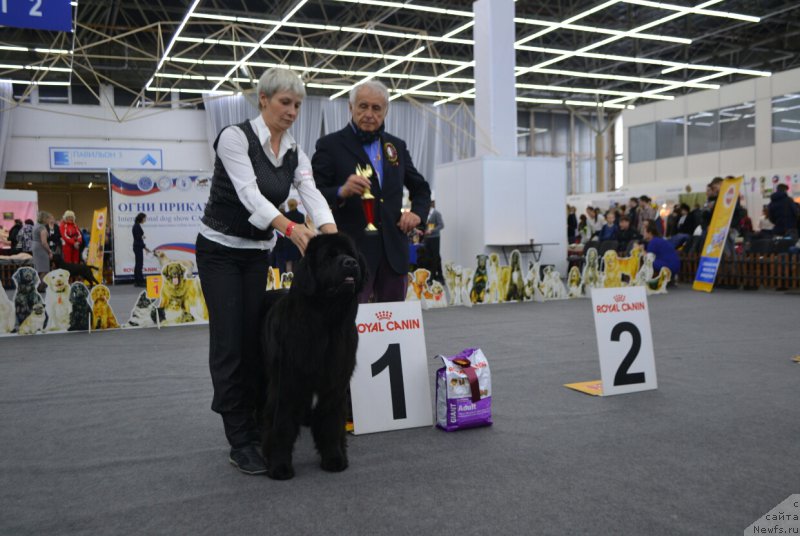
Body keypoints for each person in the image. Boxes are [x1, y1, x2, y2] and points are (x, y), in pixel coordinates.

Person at [195, 67, 337, 475]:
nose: (292, 111)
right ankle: (239, 440)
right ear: (263, 99)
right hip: (219, 252)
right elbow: (250, 196)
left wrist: (332, 238)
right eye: (284, 102)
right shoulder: (234, 138)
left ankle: (258, 421)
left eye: (297, 105)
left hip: (257, 254)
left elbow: (312, 195)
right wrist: (292, 229)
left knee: (254, 340)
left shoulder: (295, 152)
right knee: (230, 343)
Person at [312, 80, 431, 303]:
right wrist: (341, 191)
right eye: (363, 106)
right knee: (351, 319)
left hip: (393, 253)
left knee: (393, 318)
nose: (369, 114)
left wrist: (417, 214)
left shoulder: (396, 146)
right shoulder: (329, 145)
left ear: (386, 111)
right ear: (351, 107)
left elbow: (421, 188)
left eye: (376, 108)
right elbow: (312, 193)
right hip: (350, 253)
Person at [32, 211, 54, 292]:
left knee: (38, 268)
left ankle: (37, 286)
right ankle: (41, 287)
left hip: (35, 246)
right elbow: (44, 242)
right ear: (45, 218)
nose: (49, 220)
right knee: (44, 269)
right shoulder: (42, 228)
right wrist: (49, 251)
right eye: (48, 218)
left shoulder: (36, 225)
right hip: (40, 248)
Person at [423, 200, 444, 282]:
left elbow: (441, 225)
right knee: (430, 257)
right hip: (427, 238)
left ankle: (432, 277)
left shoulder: (436, 213)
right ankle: (438, 275)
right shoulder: (425, 214)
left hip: (435, 238)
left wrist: (432, 230)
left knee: (435, 257)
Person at [132, 213, 151, 287]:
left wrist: (144, 247)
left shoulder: (137, 225)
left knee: (138, 264)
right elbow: (138, 238)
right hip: (138, 247)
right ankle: (139, 281)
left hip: (138, 246)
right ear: (141, 218)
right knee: (139, 264)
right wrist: (144, 246)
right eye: (144, 218)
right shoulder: (136, 226)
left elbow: (139, 238)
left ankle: (138, 280)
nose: (145, 220)